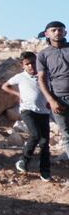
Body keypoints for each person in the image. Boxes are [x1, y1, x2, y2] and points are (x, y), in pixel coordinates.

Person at [2, 51, 52, 180]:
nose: (31, 66)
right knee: (35, 134)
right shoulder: (20, 77)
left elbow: (52, 89)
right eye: (27, 64)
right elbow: (5, 86)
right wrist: (18, 95)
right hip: (27, 110)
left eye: (33, 63)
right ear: (23, 65)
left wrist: (50, 101)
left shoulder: (45, 76)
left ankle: (45, 171)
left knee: (45, 142)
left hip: (44, 111)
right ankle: (23, 161)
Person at [36, 20, 69, 163]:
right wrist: (51, 100)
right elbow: (41, 79)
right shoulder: (43, 55)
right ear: (46, 34)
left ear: (65, 32)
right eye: (54, 30)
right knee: (67, 134)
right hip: (59, 99)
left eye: (60, 29)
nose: (57, 32)